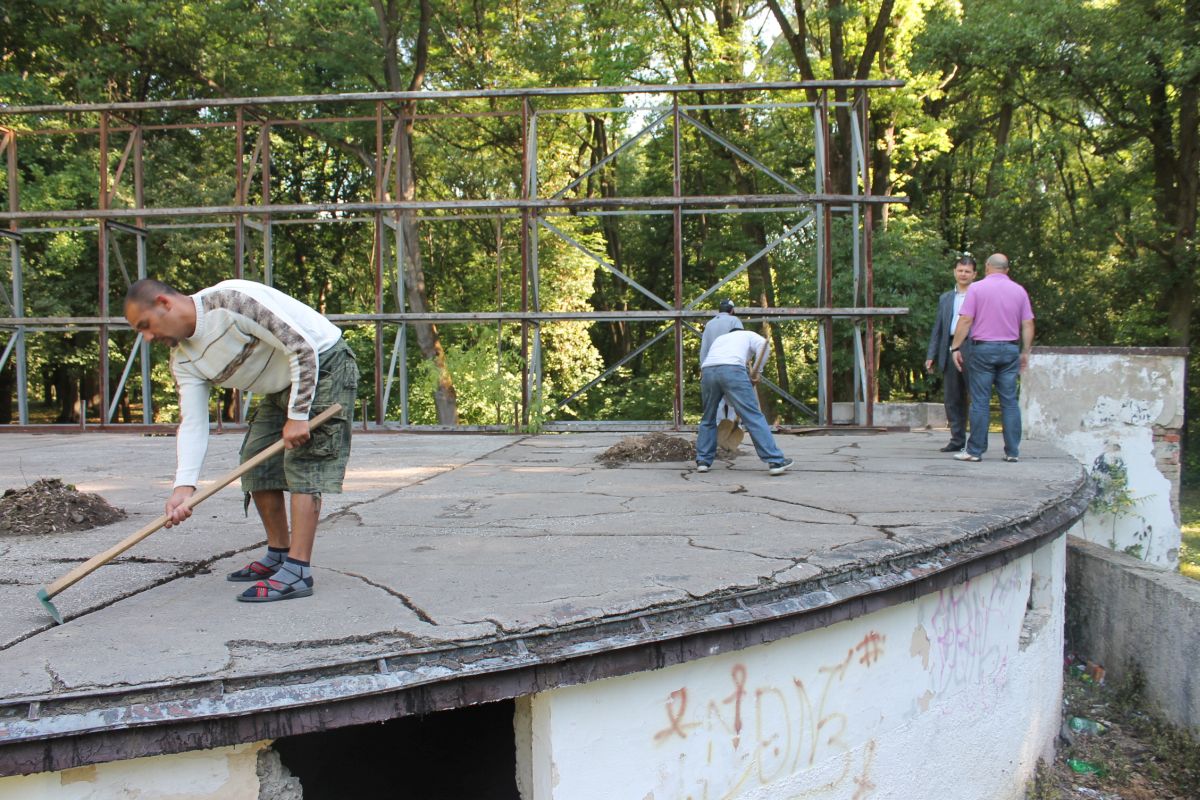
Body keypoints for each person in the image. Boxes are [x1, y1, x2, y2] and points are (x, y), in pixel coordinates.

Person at [124, 278, 359, 602]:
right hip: (281, 384)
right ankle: (279, 553)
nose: (148, 338)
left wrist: (298, 415)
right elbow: (193, 423)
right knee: (255, 461)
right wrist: (183, 487)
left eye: (145, 326)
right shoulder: (184, 359)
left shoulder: (230, 302)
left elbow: (301, 347)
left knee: (305, 461)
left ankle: (297, 571)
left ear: (164, 303)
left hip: (324, 360)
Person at [948, 253, 1034, 463]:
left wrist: (955, 347)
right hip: (1010, 350)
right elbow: (1028, 324)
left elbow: (966, 320)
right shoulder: (1019, 291)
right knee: (1010, 402)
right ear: (1007, 269)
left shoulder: (976, 288)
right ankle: (1012, 452)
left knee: (980, 401)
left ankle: (975, 451)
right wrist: (1025, 351)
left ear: (987, 267)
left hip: (983, 350)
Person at [695, 327, 793, 475]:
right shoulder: (748, 334)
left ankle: (702, 461)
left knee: (708, 417)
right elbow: (764, 345)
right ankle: (775, 461)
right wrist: (757, 371)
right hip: (732, 370)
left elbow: (728, 398)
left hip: (708, 372)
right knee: (753, 416)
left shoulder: (720, 340)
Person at [925, 255, 977, 452]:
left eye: (967, 271)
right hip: (949, 347)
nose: (963, 274)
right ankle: (957, 440)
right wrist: (931, 355)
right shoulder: (946, 298)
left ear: (974, 274)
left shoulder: (980, 295)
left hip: (972, 347)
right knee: (952, 397)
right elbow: (938, 328)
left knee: (975, 395)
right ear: (955, 272)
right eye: (960, 270)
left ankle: (976, 442)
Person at [699, 299, 743, 363]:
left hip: (711, 363)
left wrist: (703, 364)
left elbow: (704, 347)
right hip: (729, 363)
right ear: (732, 310)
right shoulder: (734, 320)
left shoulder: (709, 323)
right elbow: (741, 342)